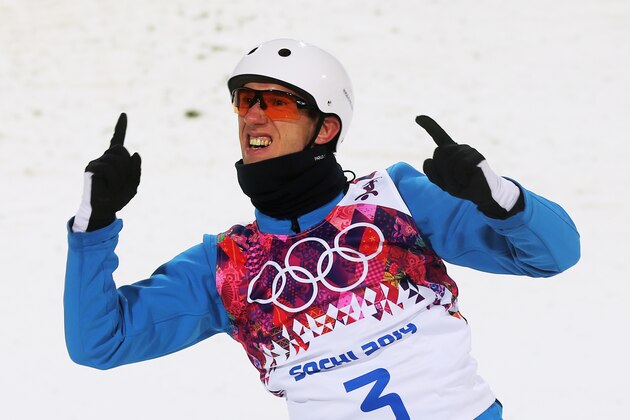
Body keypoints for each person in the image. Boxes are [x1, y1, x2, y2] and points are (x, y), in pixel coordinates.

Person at [64, 38, 580, 420]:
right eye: (246, 100)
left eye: (279, 101)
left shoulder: (395, 199)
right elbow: (99, 343)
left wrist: (505, 202)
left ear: (326, 127)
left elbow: (555, 255)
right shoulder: (226, 265)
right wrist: (95, 229)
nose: (255, 116)